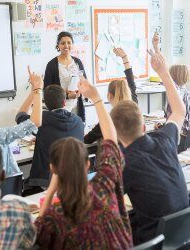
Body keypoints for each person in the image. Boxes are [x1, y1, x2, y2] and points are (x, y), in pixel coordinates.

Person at [34, 78, 133, 249]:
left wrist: (50, 192)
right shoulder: (105, 188)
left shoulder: (55, 217)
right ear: (88, 164)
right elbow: (111, 138)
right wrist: (96, 98)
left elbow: (35, 234)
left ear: (53, 169)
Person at [110, 52, 189, 245]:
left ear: (117, 135)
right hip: (183, 236)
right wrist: (163, 72)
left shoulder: (123, 162)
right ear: (144, 126)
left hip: (153, 241)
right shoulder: (165, 139)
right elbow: (179, 111)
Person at [16, 84, 84, 190]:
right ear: (64, 102)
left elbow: (19, 116)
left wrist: (34, 92)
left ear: (46, 104)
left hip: (46, 182)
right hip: (73, 180)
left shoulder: (41, 120)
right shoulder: (78, 121)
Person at [84, 47, 138, 144]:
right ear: (127, 91)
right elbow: (131, 83)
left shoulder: (108, 119)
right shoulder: (134, 106)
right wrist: (124, 58)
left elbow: (87, 140)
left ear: (109, 95)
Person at [153, 32, 190, 152]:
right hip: (184, 134)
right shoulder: (186, 92)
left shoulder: (177, 91)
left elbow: (164, 72)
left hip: (178, 135)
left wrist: (156, 48)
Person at [44, 31, 87, 122]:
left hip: (77, 106)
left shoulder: (78, 62)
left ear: (72, 44)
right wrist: (67, 95)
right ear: (58, 46)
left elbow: (85, 83)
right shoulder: (51, 65)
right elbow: (47, 91)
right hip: (59, 109)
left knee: (77, 132)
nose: (66, 45)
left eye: (69, 43)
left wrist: (79, 92)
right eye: (63, 43)